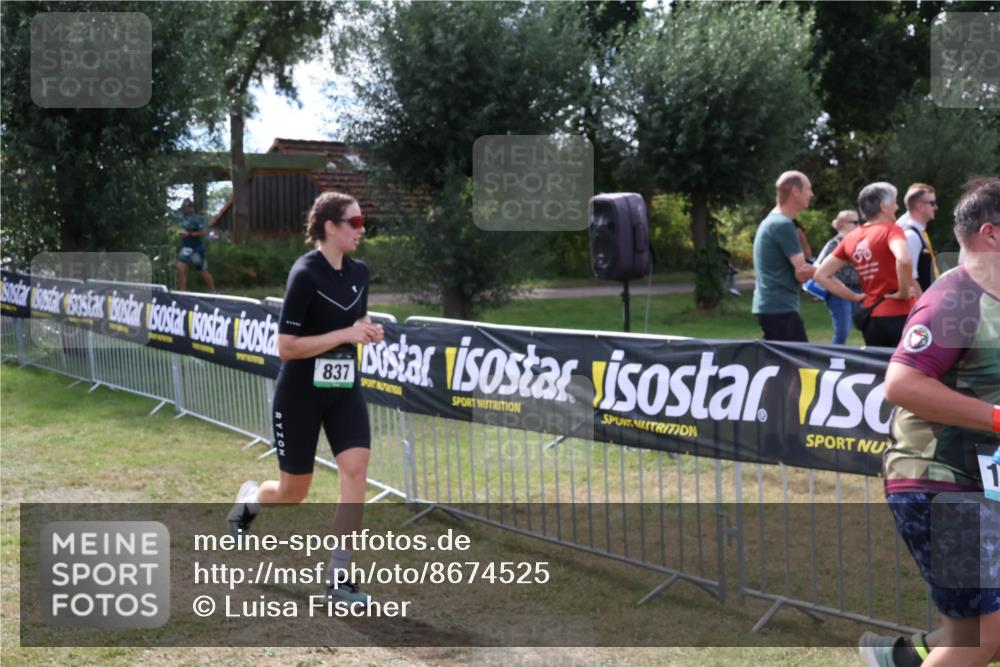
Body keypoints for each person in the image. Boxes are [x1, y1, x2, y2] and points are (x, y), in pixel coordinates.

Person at [858, 177, 1000, 667]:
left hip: (974, 485)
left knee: (967, 632)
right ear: (992, 234)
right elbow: (902, 384)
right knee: (985, 639)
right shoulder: (955, 297)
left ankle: (897, 658)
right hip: (940, 483)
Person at [227, 191, 385, 604]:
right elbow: (286, 347)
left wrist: (366, 328)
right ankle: (249, 503)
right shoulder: (304, 274)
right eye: (354, 222)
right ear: (330, 227)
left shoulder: (360, 271)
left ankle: (339, 577)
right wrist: (347, 334)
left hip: (343, 387)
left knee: (355, 470)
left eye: (361, 221)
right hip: (299, 393)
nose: (361, 229)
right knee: (292, 492)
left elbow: (355, 318)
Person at [814, 182, 916, 348]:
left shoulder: (852, 237)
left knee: (878, 370)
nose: (897, 207)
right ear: (883, 206)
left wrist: (854, 297)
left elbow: (821, 275)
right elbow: (904, 259)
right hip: (900, 315)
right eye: (895, 202)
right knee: (904, 370)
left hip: (871, 318)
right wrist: (903, 292)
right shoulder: (891, 230)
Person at [751, 170, 816, 342]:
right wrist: (829, 270)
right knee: (800, 363)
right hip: (779, 309)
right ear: (795, 191)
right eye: (808, 189)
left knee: (780, 364)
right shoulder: (782, 224)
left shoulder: (773, 221)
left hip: (773, 307)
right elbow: (802, 272)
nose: (812, 194)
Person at [814, 210, 862, 344]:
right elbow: (819, 267)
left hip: (857, 289)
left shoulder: (856, 242)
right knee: (843, 331)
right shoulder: (834, 244)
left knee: (855, 327)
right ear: (841, 224)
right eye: (855, 222)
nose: (859, 226)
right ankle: (832, 359)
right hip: (838, 291)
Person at [896, 183, 941, 292]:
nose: (936, 207)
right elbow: (910, 278)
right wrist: (922, 306)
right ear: (920, 207)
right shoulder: (911, 235)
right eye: (932, 203)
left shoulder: (919, 232)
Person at [175, 198, 216, 292]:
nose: (184, 209)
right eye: (183, 207)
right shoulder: (182, 218)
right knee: (180, 268)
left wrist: (189, 234)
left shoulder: (197, 218)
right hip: (186, 248)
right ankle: (183, 292)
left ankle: (213, 290)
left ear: (191, 208)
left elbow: (202, 233)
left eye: (186, 207)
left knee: (201, 271)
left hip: (197, 249)